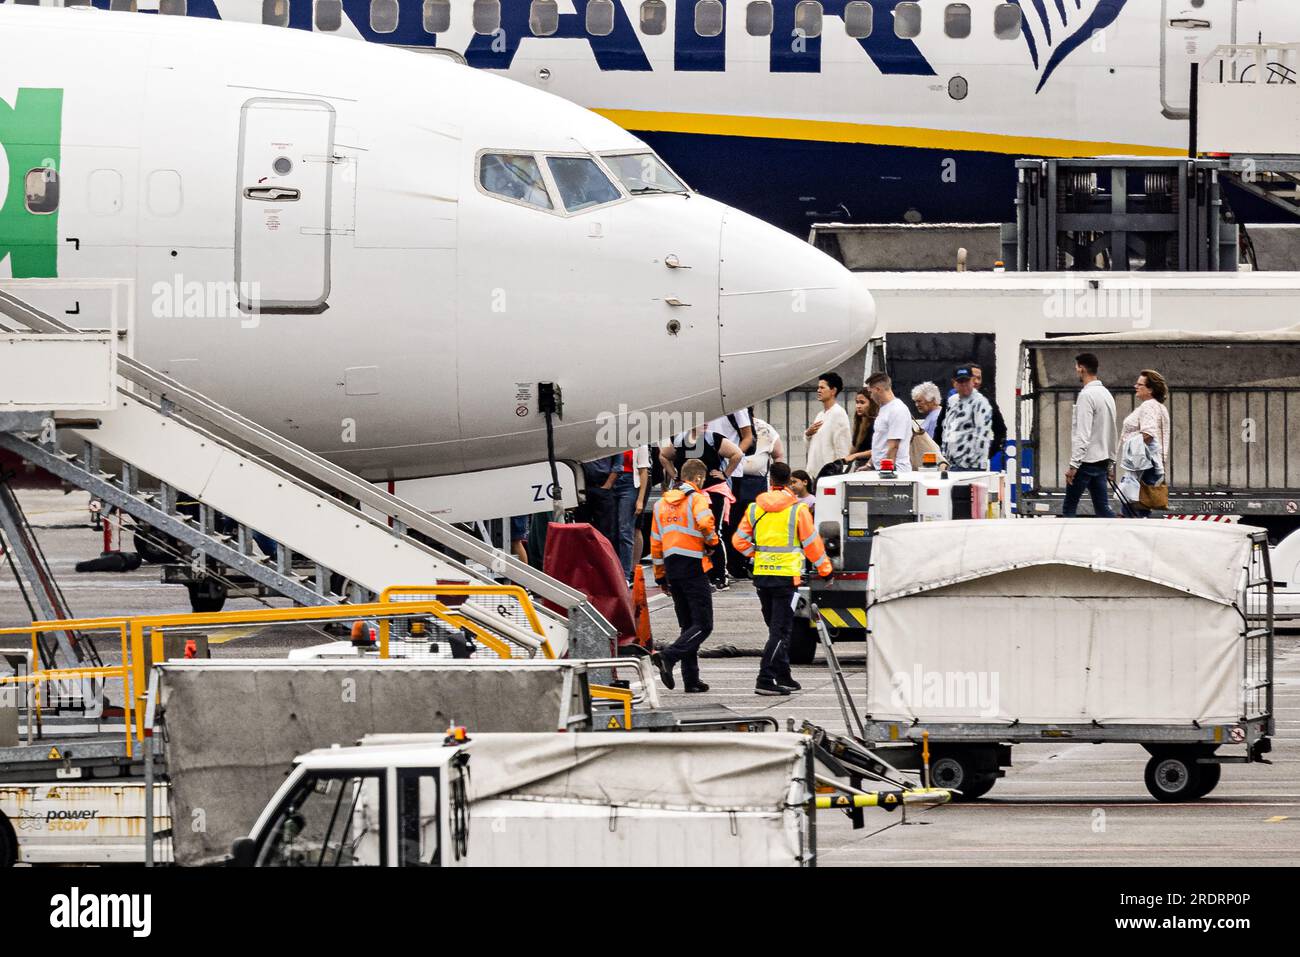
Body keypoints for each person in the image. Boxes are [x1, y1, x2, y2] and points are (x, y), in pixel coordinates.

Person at [731, 462, 833, 696]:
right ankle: (765, 678)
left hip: (762, 576)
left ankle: (783, 674)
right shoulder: (798, 510)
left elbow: (738, 541)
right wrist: (825, 570)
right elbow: (812, 544)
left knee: (774, 628)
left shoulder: (755, 508)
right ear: (789, 483)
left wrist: (756, 555)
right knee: (781, 631)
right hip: (785, 578)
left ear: (770, 481)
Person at [648, 458, 719, 693]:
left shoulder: (660, 505)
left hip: (672, 568)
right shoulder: (696, 499)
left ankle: (691, 679)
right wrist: (712, 542)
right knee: (704, 625)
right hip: (693, 566)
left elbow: (656, 543)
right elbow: (705, 523)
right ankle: (668, 657)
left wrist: (660, 576)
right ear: (698, 478)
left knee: (688, 625)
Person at [660, 427, 743, 590]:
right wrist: (675, 475)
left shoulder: (713, 438)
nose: (704, 424)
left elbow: (737, 454)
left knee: (713, 532)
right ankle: (700, 572)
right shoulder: (678, 439)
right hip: (688, 491)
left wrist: (725, 474)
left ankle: (720, 574)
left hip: (712, 492)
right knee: (690, 532)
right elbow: (663, 456)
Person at [1063, 352, 1118, 518]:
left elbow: (1083, 434)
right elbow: (1112, 431)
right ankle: (1119, 535)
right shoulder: (1107, 394)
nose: (1076, 371)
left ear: (1082, 368)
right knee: (1102, 509)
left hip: (1085, 463)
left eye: (1076, 368)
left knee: (1069, 508)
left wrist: (1073, 465)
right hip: (1102, 462)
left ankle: (1069, 542)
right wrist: (1110, 463)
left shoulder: (1086, 396)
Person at [731, 411, 783, 579]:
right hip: (733, 481)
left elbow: (778, 455)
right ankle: (736, 564)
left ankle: (756, 562)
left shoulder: (764, 428)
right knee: (734, 526)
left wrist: (778, 484)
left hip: (757, 485)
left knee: (758, 528)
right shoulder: (729, 426)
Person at [705, 409, 754, 578]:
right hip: (708, 471)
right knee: (708, 520)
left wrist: (731, 457)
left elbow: (748, 437)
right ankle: (714, 566)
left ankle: (731, 567)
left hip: (731, 471)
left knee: (728, 522)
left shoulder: (736, 406)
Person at [1118, 369, 1171, 518]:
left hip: (1143, 465)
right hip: (1152, 465)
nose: (1136, 386)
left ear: (1150, 389)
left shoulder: (1148, 406)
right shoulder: (1160, 408)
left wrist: (1130, 452)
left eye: (1140, 384)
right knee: (1140, 508)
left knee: (1132, 510)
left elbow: (1148, 434)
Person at [939, 367, 994, 471]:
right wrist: (944, 458)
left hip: (972, 466)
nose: (964, 385)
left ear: (972, 381)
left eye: (967, 381)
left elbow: (982, 436)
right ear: (954, 383)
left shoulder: (981, 402)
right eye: (960, 382)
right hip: (952, 465)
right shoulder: (952, 401)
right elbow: (947, 430)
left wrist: (967, 463)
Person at [804, 371, 852, 481]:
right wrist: (808, 434)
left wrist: (840, 474)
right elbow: (813, 446)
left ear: (833, 391)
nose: (818, 390)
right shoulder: (820, 415)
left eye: (822, 387)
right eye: (818, 387)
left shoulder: (838, 413)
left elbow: (843, 447)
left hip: (828, 475)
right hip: (815, 474)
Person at [862, 373, 913, 472]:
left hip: (896, 471)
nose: (871, 397)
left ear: (878, 389)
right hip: (883, 469)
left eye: (871, 392)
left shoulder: (897, 409)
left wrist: (888, 472)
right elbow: (880, 442)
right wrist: (869, 464)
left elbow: (893, 446)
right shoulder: (884, 408)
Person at [970, 364, 1008, 466]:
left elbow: (1001, 431)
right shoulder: (951, 401)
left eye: (979, 378)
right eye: (973, 378)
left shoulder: (988, 402)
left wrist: (987, 455)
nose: (976, 382)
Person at [580, 454, 621, 545]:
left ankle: (605, 557)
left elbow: (618, 465)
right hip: (583, 486)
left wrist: (607, 485)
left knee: (605, 529)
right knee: (583, 527)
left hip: (603, 484)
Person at [841, 388, 878, 468]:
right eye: (857, 402)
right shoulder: (859, 422)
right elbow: (855, 446)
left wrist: (855, 455)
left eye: (862, 403)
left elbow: (879, 450)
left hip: (872, 465)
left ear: (871, 404)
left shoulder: (876, 423)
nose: (858, 406)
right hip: (859, 464)